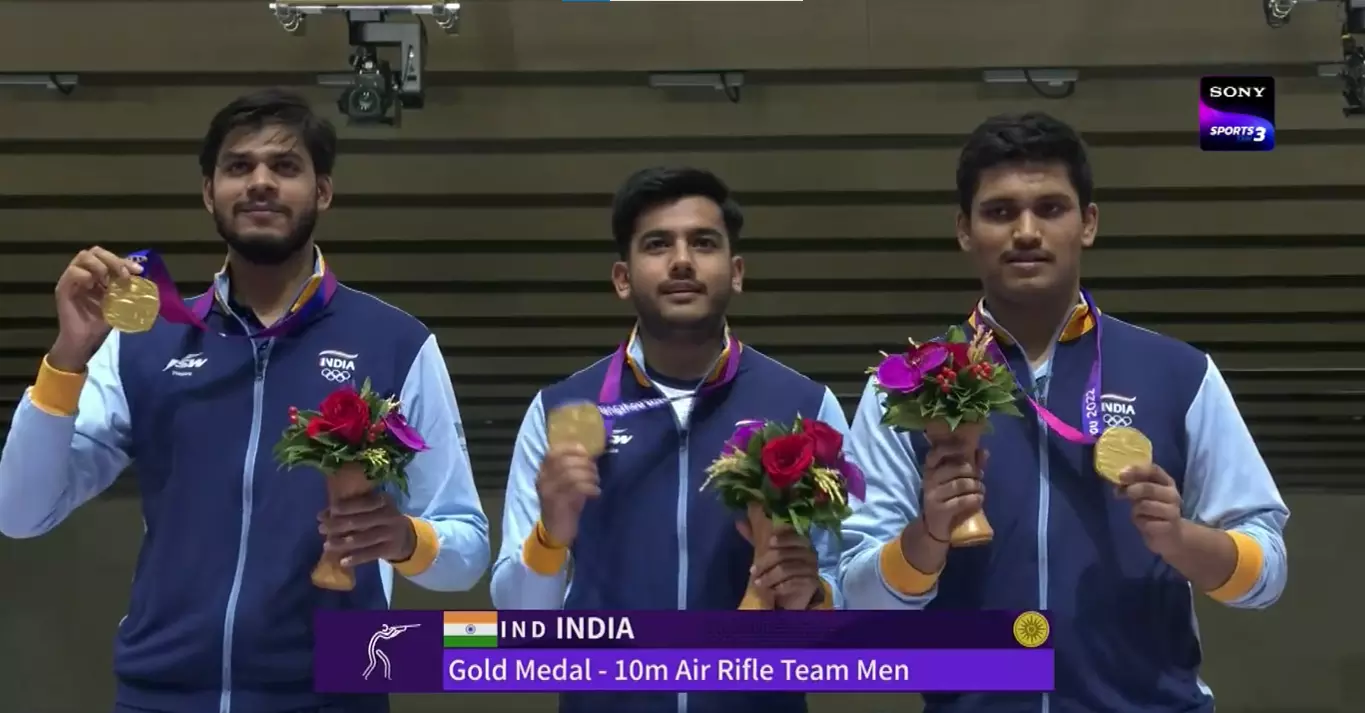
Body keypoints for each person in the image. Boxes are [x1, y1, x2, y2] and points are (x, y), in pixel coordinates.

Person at [0, 89, 490, 713]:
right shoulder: (141, 344)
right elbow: (18, 512)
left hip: (334, 695)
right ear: (209, 193)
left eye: (285, 167)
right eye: (238, 167)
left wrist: (402, 539)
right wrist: (68, 357)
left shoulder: (397, 343)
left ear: (323, 191)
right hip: (162, 694)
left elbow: (467, 547)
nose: (260, 182)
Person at [837, 112, 1289, 712]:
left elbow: (1268, 575)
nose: (1026, 231)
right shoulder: (905, 388)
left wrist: (1181, 540)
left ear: (1089, 224)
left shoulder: (1179, 375)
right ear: (965, 231)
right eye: (999, 212)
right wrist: (927, 537)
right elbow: (857, 598)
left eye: (1051, 208)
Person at [490, 167, 845, 713]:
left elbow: (848, 622)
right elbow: (521, 627)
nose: (682, 260)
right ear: (623, 278)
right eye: (658, 244)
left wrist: (811, 598)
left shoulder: (805, 409)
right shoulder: (560, 411)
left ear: (737, 271)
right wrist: (552, 534)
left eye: (703, 243)